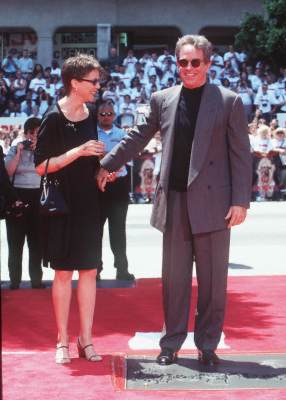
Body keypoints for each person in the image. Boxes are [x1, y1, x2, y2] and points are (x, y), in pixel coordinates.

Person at [97, 34, 252, 366]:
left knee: (213, 283)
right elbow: (138, 136)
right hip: (175, 203)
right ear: (176, 64)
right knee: (174, 282)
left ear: (208, 64)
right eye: (183, 62)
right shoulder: (161, 98)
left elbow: (241, 155)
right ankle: (171, 344)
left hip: (215, 206)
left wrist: (241, 201)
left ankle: (207, 344)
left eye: (196, 62)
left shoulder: (229, 101)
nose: (189, 68)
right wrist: (108, 163)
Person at [34, 54, 107, 364]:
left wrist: (103, 170)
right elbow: (41, 167)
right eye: (93, 81)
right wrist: (77, 151)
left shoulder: (91, 115)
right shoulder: (52, 118)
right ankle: (62, 340)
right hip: (62, 205)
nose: (98, 86)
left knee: (89, 271)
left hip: (90, 203)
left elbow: (91, 161)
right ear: (75, 84)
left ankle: (86, 340)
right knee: (63, 273)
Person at [97, 102, 135, 281]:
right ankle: (94, 268)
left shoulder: (121, 134)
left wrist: (110, 166)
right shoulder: (91, 135)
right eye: (102, 114)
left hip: (118, 184)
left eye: (109, 113)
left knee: (118, 230)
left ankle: (122, 268)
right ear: (97, 115)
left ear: (114, 115)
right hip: (97, 186)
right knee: (95, 230)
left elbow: (126, 157)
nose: (106, 116)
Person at [4, 117, 44, 290]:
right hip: (17, 196)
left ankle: (36, 280)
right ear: (26, 133)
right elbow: (7, 172)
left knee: (37, 241)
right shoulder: (14, 148)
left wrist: (38, 151)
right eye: (32, 134)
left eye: (38, 134)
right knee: (15, 242)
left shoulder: (44, 149)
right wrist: (19, 153)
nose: (34, 138)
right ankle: (14, 280)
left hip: (37, 195)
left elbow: (47, 170)